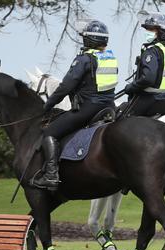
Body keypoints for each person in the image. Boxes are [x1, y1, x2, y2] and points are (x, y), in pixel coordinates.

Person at [31, 20, 118, 189]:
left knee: (50, 132)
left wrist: (48, 104)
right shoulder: (110, 57)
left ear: (89, 40)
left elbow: (66, 86)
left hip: (88, 109)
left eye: (84, 37)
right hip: (108, 107)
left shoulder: (84, 59)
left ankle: (51, 175)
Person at [121, 11, 165, 117]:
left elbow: (148, 79)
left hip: (149, 99)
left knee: (121, 120)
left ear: (161, 31)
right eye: (147, 29)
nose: (147, 32)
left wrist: (131, 87)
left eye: (151, 29)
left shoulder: (151, 51)